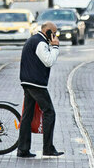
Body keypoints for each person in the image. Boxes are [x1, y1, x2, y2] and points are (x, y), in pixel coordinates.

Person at [16, 21, 63, 158]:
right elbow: (49, 61)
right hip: (36, 84)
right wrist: (55, 47)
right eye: (54, 33)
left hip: (28, 81)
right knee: (49, 112)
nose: (55, 36)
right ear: (48, 31)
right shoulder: (40, 43)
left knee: (27, 115)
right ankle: (48, 148)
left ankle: (23, 149)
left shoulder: (33, 40)